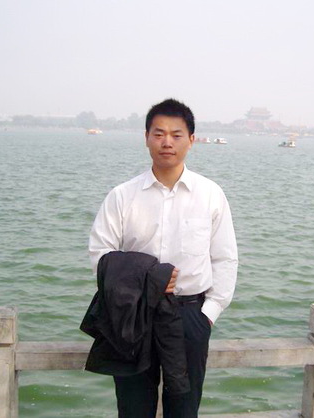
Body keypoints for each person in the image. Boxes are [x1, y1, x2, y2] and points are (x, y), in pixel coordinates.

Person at [89, 98, 238, 418]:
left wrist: (208, 314)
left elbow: (225, 258)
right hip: (133, 314)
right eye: (158, 134)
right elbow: (100, 255)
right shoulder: (122, 196)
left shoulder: (210, 194)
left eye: (176, 134)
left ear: (191, 140)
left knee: (184, 408)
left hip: (189, 315)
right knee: (133, 407)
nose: (166, 142)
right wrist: (147, 276)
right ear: (146, 138)